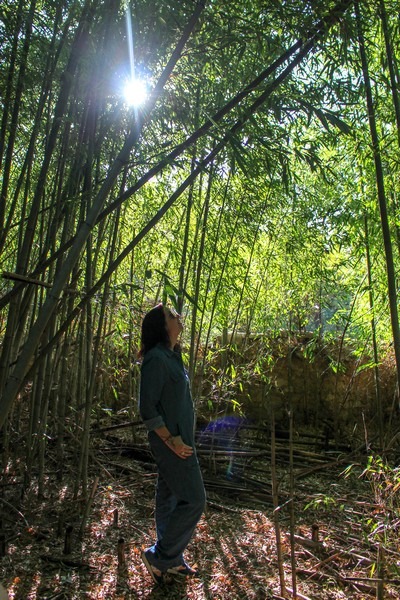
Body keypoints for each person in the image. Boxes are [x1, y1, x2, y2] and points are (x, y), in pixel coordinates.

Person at [138, 303, 206, 584]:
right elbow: (147, 408)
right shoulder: (156, 358)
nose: (178, 317)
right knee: (194, 500)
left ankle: (171, 559)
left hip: (181, 441)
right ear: (163, 326)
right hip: (171, 444)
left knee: (171, 496)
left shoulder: (172, 356)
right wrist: (172, 441)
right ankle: (160, 556)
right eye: (171, 315)